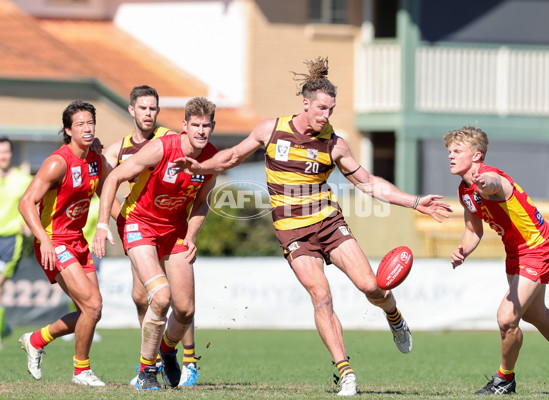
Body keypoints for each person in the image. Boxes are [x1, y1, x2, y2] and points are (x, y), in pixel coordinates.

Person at [172, 57, 452, 397]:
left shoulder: (334, 144)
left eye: (331, 110)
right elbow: (230, 158)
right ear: (305, 104)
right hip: (292, 233)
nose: (326, 116)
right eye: (321, 108)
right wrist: (199, 166)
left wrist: (414, 201)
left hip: (329, 224)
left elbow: (369, 184)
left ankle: (393, 315)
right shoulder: (270, 130)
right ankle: (346, 372)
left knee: (372, 287)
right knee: (321, 297)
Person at [444, 126, 549, 395]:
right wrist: (463, 251)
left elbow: (495, 184)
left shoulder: (491, 177)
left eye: (457, 151)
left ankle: (505, 379)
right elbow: (473, 230)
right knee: (536, 314)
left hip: (538, 247)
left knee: (506, 319)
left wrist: (485, 183)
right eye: (449, 151)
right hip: (515, 251)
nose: (451, 156)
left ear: (476, 155)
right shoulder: (465, 191)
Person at [93, 96, 218, 391]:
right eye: (195, 125)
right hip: (139, 224)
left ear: (213, 127)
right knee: (159, 297)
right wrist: (101, 224)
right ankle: (146, 372)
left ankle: (167, 349)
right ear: (184, 126)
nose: (201, 132)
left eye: (206, 126)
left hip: (175, 231)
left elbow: (202, 202)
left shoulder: (211, 158)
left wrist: (191, 236)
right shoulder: (162, 147)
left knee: (185, 310)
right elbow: (112, 180)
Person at [17, 100, 112, 386]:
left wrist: (129, 222)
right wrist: (43, 240)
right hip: (54, 241)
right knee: (92, 305)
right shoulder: (58, 162)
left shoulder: (96, 159)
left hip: (78, 241)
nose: (87, 128)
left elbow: (108, 194)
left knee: (91, 311)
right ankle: (81, 371)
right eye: (80, 124)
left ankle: (36, 340)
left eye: (90, 123)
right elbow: (26, 203)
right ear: (68, 130)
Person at [0, 137, 32, 350]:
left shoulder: (22, 180)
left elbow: (33, 202)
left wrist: (28, 222)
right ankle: (2, 327)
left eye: (7, 152)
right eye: (0, 152)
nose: (4, 156)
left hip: (11, 240)